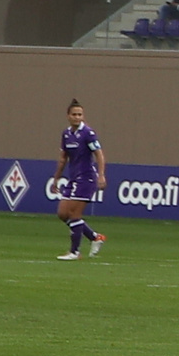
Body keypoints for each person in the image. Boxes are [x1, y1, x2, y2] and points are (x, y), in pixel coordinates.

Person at [54, 98, 107, 259]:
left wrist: (101, 174)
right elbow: (63, 158)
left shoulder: (88, 134)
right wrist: (56, 178)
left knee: (74, 214)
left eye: (80, 114)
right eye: (74, 114)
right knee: (63, 214)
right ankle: (94, 237)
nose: (77, 117)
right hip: (73, 178)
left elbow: (99, 154)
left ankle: (75, 252)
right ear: (68, 116)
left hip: (86, 178)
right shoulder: (66, 134)